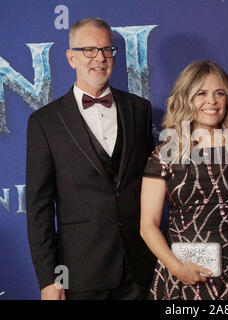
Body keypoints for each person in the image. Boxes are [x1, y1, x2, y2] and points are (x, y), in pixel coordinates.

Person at [26, 17, 155, 300]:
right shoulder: (45, 122)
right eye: (89, 50)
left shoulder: (140, 110)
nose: (100, 58)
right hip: (81, 274)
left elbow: (152, 188)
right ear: (71, 57)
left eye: (107, 50)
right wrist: (50, 280)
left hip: (141, 270)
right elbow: (39, 210)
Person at [140, 60, 228, 300]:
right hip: (182, 273)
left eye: (219, 93)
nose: (211, 101)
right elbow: (147, 225)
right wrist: (176, 267)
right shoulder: (165, 154)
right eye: (201, 93)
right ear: (186, 99)